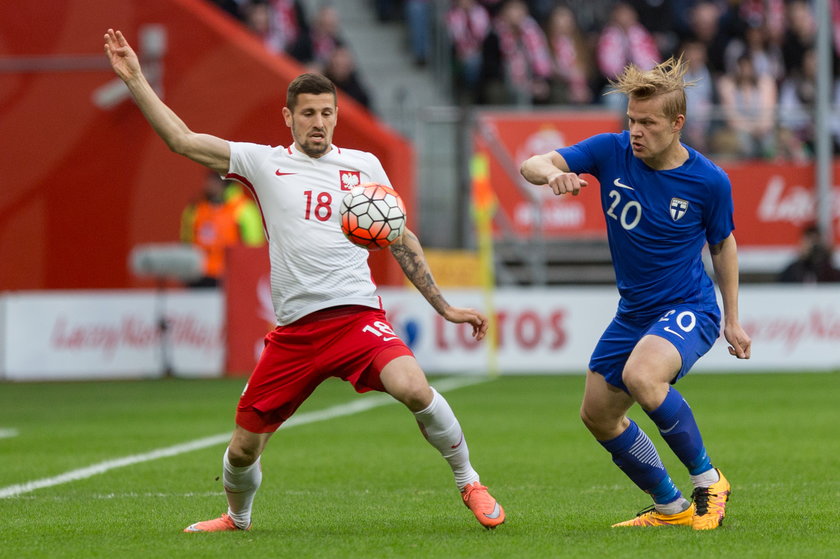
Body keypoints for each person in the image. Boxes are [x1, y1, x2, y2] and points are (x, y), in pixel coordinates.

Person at [104, 28, 505, 532]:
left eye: (327, 112)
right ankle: (237, 517)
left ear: (338, 115)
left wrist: (445, 307)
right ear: (289, 117)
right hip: (295, 333)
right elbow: (182, 140)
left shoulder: (364, 166)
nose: (319, 122)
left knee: (415, 388)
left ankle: (469, 481)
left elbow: (400, 237)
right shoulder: (263, 162)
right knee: (242, 448)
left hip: (356, 316)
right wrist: (138, 79)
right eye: (309, 113)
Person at [520, 56, 752, 530]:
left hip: (689, 307)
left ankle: (709, 482)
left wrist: (732, 318)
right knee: (598, 416)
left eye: (647, 122)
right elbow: (533, 162)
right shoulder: (611, 151)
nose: (636, 131)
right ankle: (670, 507)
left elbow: (723, 245)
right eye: (631, 120)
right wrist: (552, 176)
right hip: (634, 313)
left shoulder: (709, 181)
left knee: (644, 377)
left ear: (677, 124)